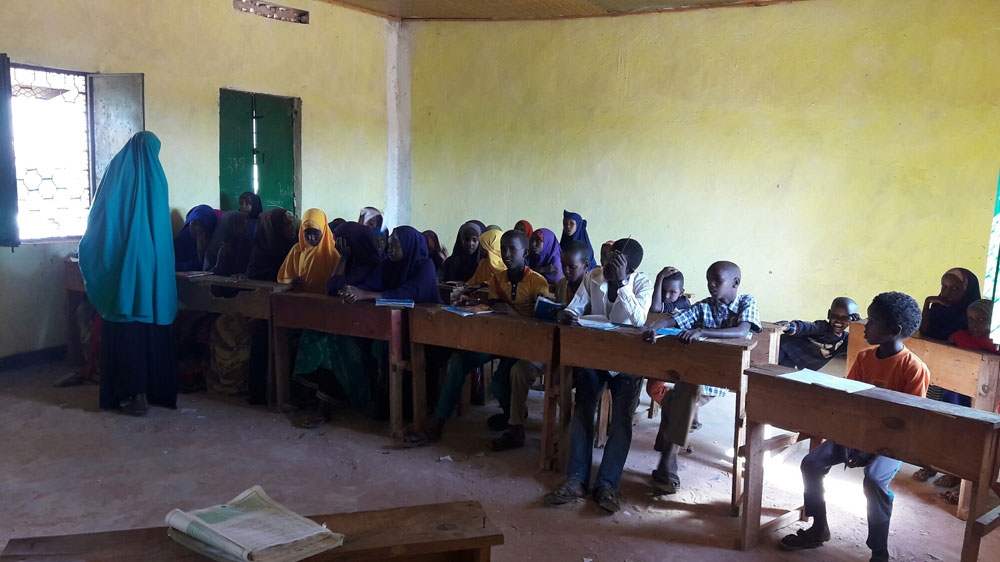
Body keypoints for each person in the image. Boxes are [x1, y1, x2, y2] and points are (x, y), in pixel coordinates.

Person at [779, 292, 928, 562]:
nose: (864, 325)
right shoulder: (863, 358)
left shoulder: (913, 368)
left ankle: (879, 551)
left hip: (892, 443)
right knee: (811, 463)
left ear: (894, 330)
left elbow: (909, 422)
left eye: (872, 321)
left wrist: (871, 448)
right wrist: (850, 441)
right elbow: (849, 403)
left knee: (874, 480)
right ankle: (818, 527)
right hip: (856, 433)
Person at [401, 230, 548, 447]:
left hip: (522, 345)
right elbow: (493, 311)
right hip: (495, 340)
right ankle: (438, 423)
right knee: (459, 361)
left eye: (512, 249)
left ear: (525, 252)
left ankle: (514, 422)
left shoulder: (538, 283)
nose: (506, 254)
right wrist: (471, 305)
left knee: (499, 383)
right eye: (503, 249)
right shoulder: (497, 280)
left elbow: (543, 324)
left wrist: (516, 315)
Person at [544, 238, 651, 514]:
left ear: (630, 267)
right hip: (594, 354)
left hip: (626, 360)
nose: (607, 265)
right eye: (607, 259)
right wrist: (568, 315)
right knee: (583, 409)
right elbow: (576, 306)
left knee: (621, 420)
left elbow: (639, 320)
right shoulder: (593, 276)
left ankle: (606, 484)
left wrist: (622, 284)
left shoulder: (641, 284)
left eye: (616, 262)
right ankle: (577, 479)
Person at [78, 131, 177, 415]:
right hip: (154, 272)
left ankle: (131, 394)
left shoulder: (117, 174)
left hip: (127, 275)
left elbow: (102, 222)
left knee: (128, 326)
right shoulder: (157, 177)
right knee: (150, 328)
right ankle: (156, 393)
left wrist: (99, 253)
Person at [641, 261, 761, 495]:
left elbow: (741, 331)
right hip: (696, 374)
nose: (711, 286)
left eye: (717, 281)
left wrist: (702, 331)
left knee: (681, 395)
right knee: (680, 394)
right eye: (708, 281)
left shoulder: (747, 302)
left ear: (735, 282)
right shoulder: (706, 306)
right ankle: (668, 462)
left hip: (723, 375)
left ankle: (669, 456)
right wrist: (656, 326)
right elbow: (677, 319)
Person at [490, 239, 591, 451]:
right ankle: (516, 427)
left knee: (567, 384)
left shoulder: (595, 289)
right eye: (564, 266)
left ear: (586, 266)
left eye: (572, 267)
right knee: (519, 370)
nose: (566, 271)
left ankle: (568, 435)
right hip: (555, 349)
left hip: (581, 355)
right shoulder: (562, 285)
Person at [912, 267, 981, 484]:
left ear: (967, 290)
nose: (947, 293)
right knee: (933, 418)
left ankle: (954, 473)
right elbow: (924, 332)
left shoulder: (975, 314)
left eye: (954, 288)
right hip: (936, 371)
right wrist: (927, 302)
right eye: (944, 287)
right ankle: (931, 463)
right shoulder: (939, 309)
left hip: (961, 381)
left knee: (956, 424)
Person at [644, 266, 694, 411]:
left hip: (677, 356)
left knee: (654, 389)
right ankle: (681, 410)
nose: (666, 296)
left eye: (672, 292)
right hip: (659, 353)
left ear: (682, 292)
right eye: (663, 291)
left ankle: (681, 411)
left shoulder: (683, 303)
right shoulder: (667, 300)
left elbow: (655, 308)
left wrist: (659, 278)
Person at [776, 297, 860, 371]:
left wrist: (858, 326)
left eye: (845, 318)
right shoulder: (822, 327)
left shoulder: (846, 340)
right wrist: (789, 327)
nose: (838, 320)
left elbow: (863, 344)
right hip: (796, 354)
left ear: (851, 320)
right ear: (829, 314)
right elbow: (806, 327)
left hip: (818, 367)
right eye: (835, 316)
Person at [277, 209, 340, 294]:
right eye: (307, 233)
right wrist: (291, 281)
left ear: (324, 230)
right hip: (299, 300)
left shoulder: (334, 252)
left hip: (326, 301)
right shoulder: (297, 250)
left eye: (316, 233)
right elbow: (284, 277)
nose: (311, 238)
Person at [246, 208, 296, 282]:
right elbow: (254, 278)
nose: (293, 228)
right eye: (288, 224)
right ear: (275, 227)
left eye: (293, 223)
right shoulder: (260, 253)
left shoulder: (293, 247)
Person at [205, 211, 251, 276]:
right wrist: (220, 258)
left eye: (246, 225)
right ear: (230, 225)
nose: (246, 229)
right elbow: (206, 276)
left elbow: (251, 271)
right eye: (242, 225)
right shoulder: (214, 248)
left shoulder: (246, 245)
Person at [174, 204, 218, 271]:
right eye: (193, 223)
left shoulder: (214, 237)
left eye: (200, 224)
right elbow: (172, 266)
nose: (197, 227)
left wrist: (201, 245)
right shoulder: (184, 237)